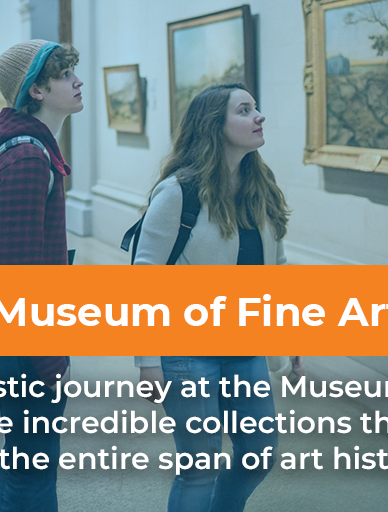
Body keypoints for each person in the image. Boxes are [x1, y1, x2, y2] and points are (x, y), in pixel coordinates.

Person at [134, 83, 290, 512]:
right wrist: (147, 360)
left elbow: (277, 267)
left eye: (256, 108)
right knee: (200, 468)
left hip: (245, 349)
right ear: (214, 126)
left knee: (259, 453)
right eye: (245, 110)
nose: (258, 116)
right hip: (187, 351)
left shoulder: (261, 185)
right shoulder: (178, 193)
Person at [0, 39, 82, 512]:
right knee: (33, 471)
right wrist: (49, 360)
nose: (76, 81)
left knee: (24, 463)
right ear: (36, 89)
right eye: (65, 74)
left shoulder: (21, 145)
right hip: (25, 344)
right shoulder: (28, 158)